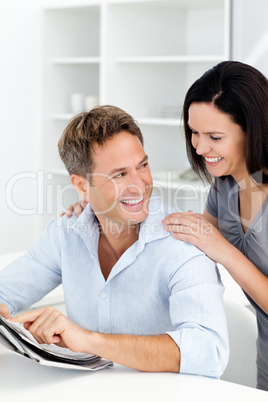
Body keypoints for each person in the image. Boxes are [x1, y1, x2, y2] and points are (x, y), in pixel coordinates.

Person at [0, 105, 228, 376]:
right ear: (82, 186)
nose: (139, 184)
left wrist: (88, 340)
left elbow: (209, 351)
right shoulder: (66, 233)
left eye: (142, 165)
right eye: (119, 174)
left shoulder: (182, 243)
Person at [161, 61, 268, 391]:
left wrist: (222, 250)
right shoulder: (227, 186)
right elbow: (195, 235)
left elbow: (213, 243)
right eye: (194, 132)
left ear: (255, 129)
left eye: (215, 136)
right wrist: (100, 209)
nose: (200, 147)